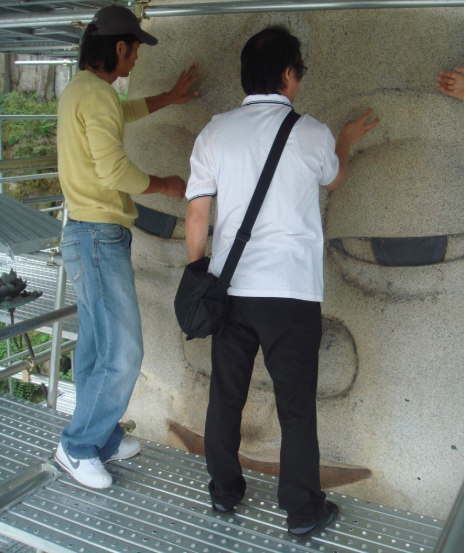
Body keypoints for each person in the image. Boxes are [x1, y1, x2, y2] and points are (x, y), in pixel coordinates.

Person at [184, 26, 378, 537]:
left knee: (226, 396)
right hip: (290, 293)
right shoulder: (311, 132)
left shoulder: (215, 131)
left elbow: (198, 215)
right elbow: (334, 177)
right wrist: (347, 140)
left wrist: (199, 275)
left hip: (229, 289)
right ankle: (301, 511)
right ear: (289, 74)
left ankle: (224, 492)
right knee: (295, 406)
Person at [54, 5, 200, 489]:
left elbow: (124, 112)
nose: (136, 59)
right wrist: (166, 185)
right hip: (97, 235)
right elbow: (115, 171)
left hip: (86, 233)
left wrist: (170, 98)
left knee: (97, 347)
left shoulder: (82, 91)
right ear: (119, 48)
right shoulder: (97, 95)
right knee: (124, 351)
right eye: (135, 49)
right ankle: (77, 447)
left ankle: (101, 437)